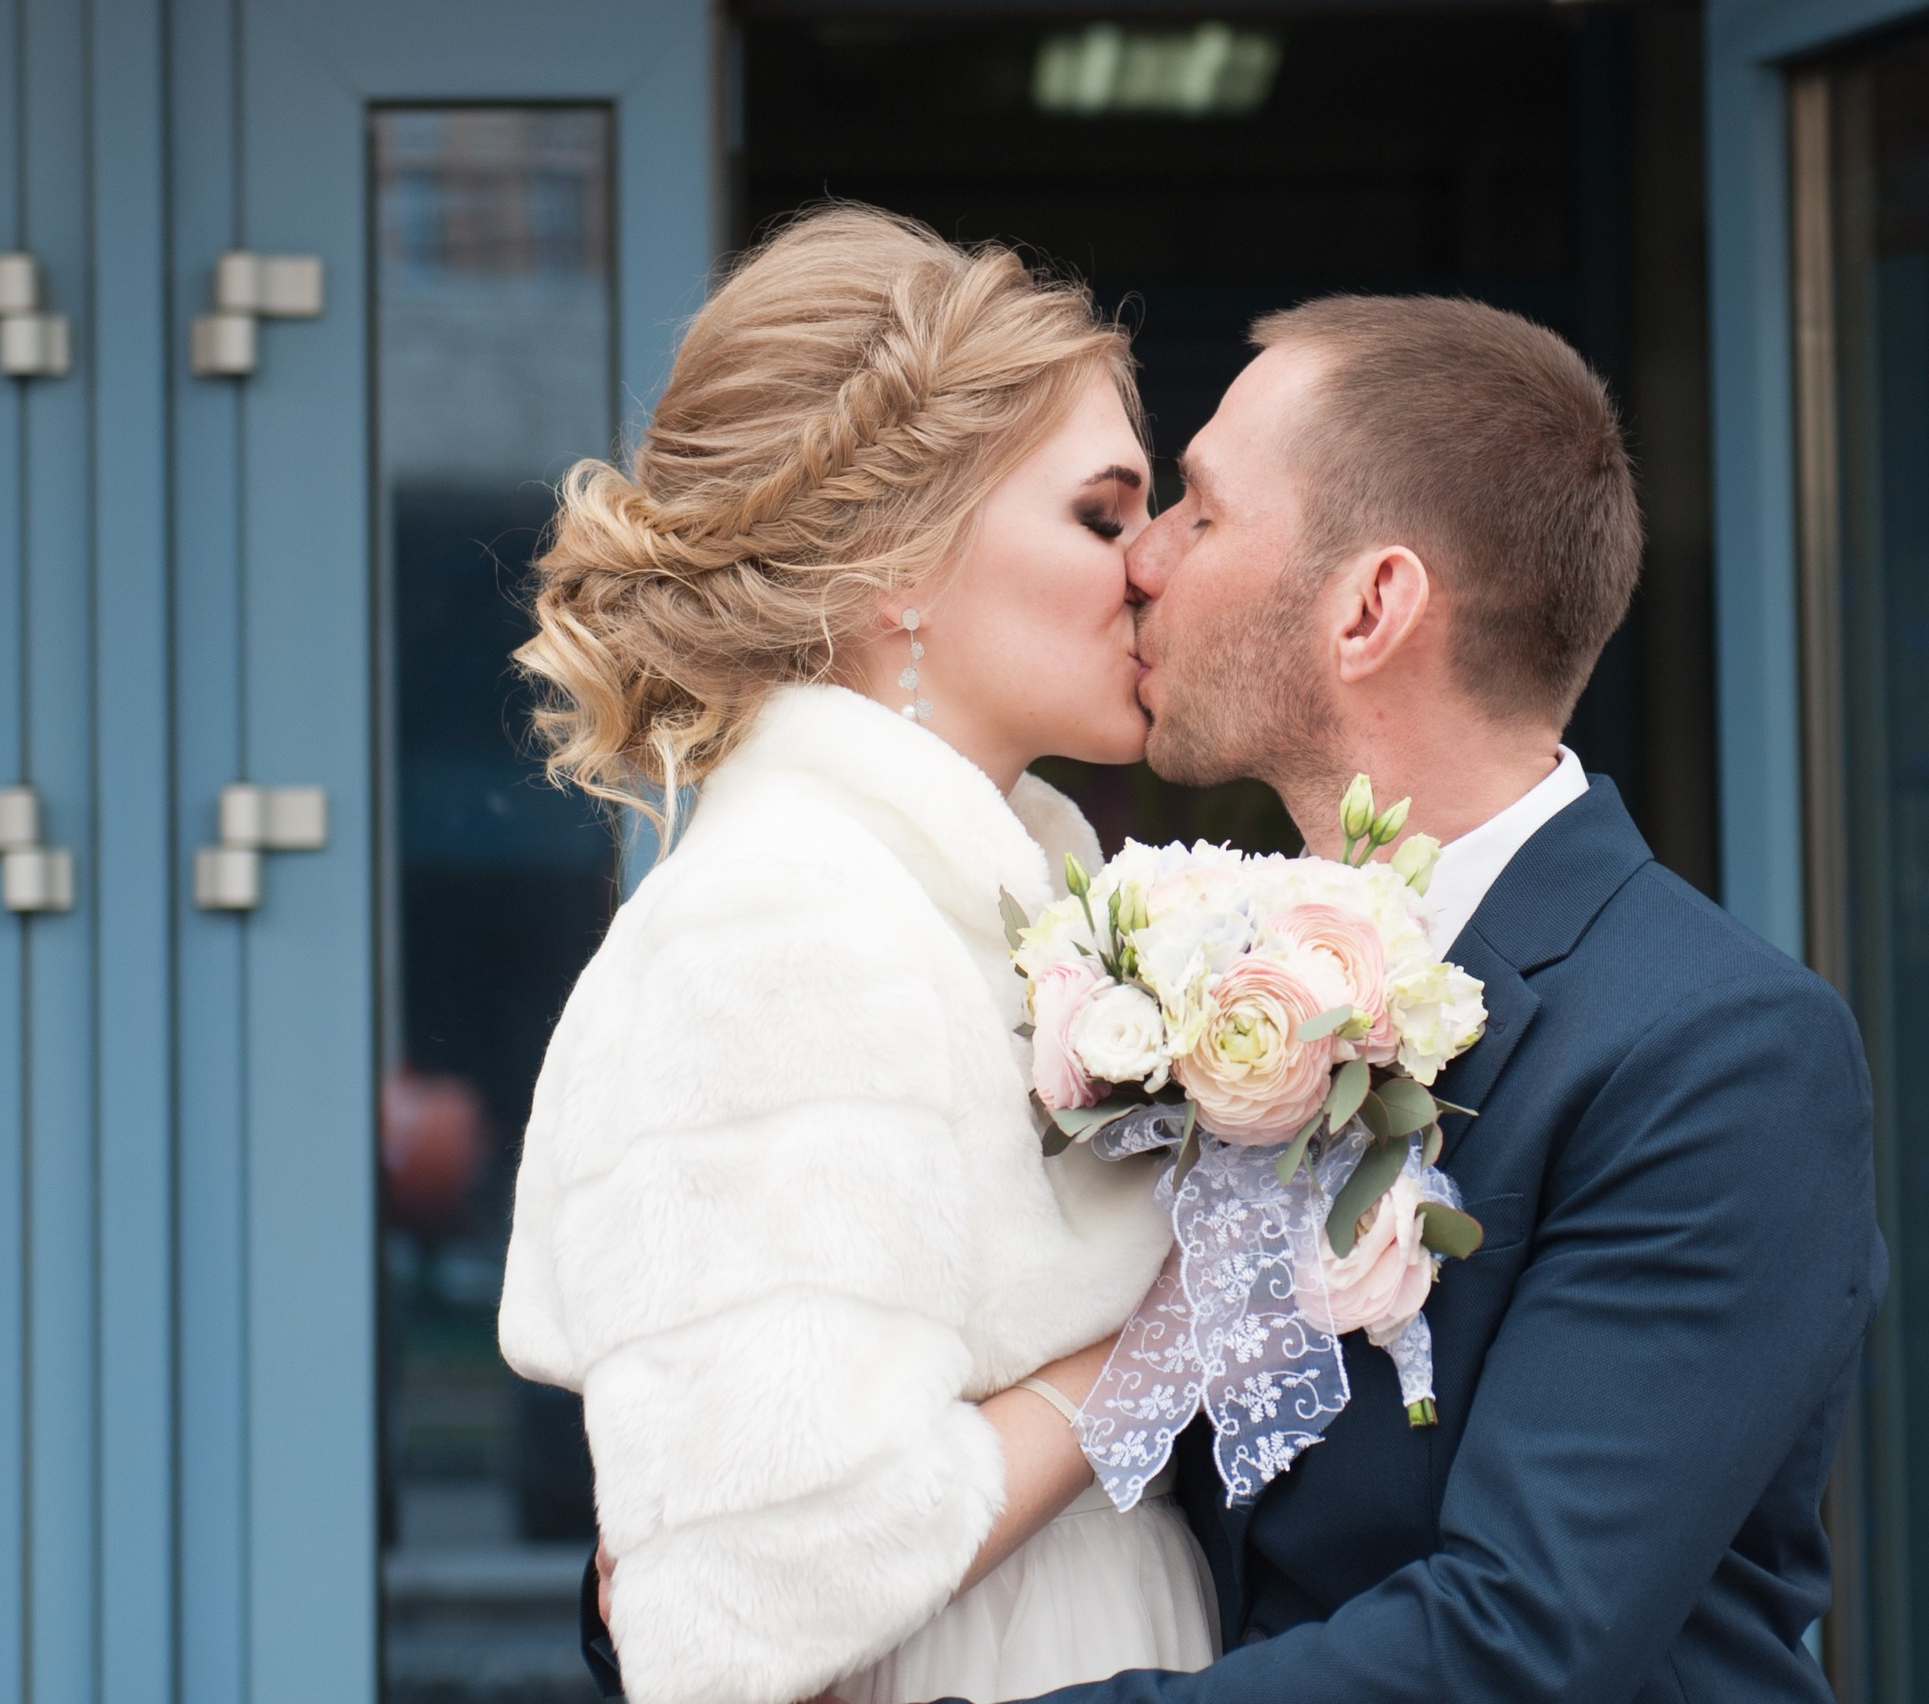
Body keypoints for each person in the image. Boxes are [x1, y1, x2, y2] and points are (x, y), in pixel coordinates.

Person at [963, 297, 1881, 1703]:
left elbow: (1514, 1644)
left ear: (1371, 606)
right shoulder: (1203, 980)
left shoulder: (1716, 1052)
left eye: (1199, 511)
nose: (1140, 562)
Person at [499, 204, 1218, 1704]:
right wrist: (1163, 1345)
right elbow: (758, 1586)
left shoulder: (986, 894)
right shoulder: (783, 921)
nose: (1153, 567)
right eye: (1100, 514)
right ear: (901, 563)